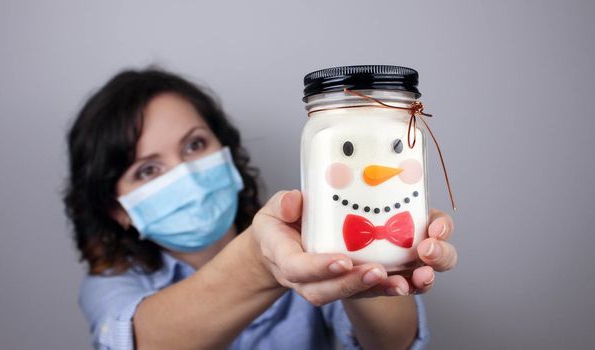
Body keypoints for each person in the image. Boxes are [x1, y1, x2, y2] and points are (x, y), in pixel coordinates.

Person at [63, 68, 457, 350]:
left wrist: (365, 263)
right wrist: (260, 261)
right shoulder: (109, 285)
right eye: (148, 169)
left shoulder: (311, 238)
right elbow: (142, 342)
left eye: (195, 145)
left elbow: (395, 343)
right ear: (118, 209)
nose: (187, 174)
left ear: (226, 150)